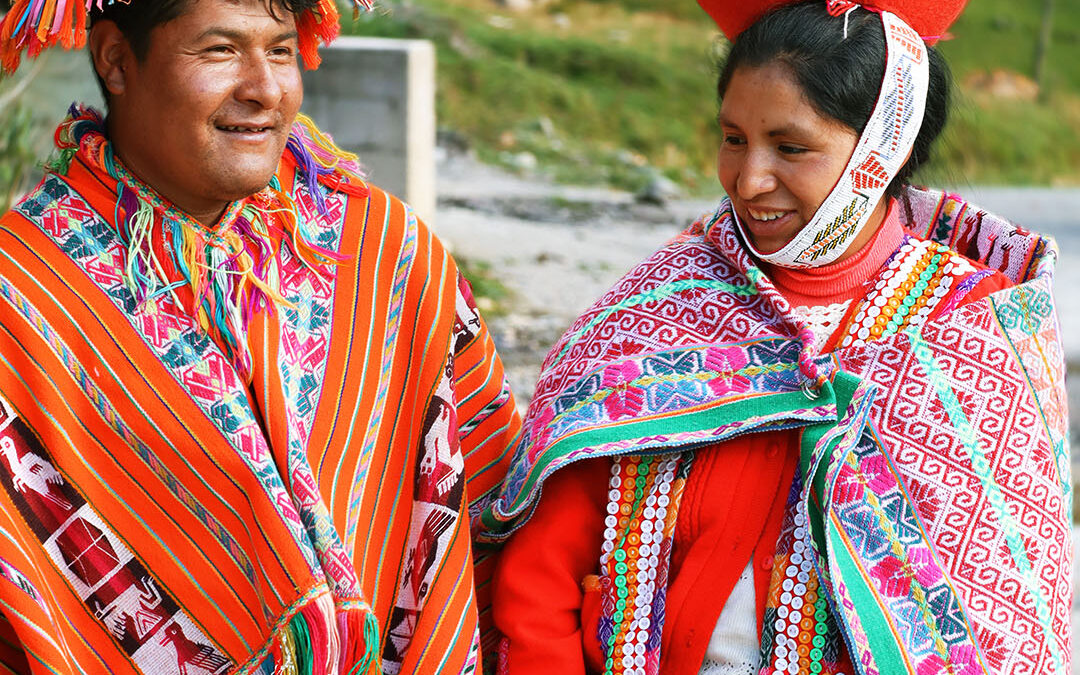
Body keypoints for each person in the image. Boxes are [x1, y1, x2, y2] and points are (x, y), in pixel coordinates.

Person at [480, 1, 1071, 674]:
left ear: (882, 150)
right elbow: (542, 572)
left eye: (790, 147)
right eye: (734, 138)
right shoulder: (660, 309)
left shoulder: (970, 333)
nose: (750, 179)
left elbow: (1006, 617)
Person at [0, 1, 521, 673]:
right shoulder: (24, 298)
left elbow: (496, 511)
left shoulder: (384, 255)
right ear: (115, 60)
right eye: (220, 51)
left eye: (279, 50)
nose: (266, 87)